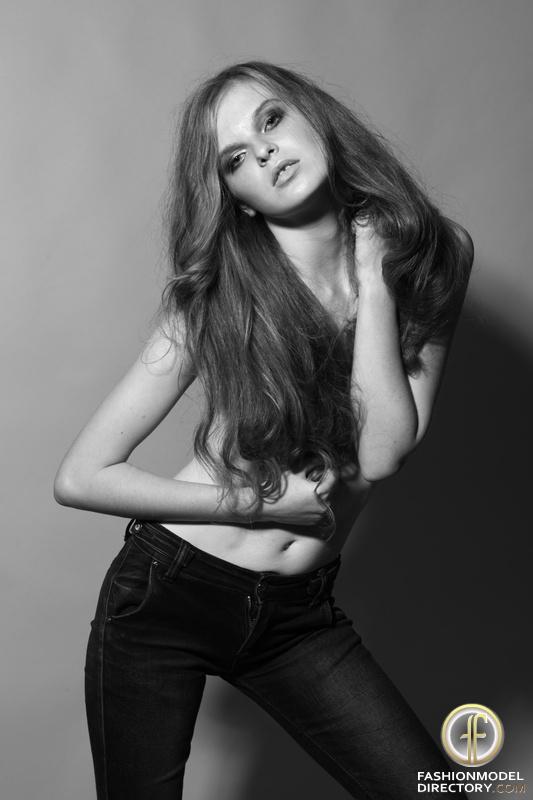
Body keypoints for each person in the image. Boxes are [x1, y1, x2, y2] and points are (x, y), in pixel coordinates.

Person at [54, 61, 473, 799]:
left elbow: (381, 454)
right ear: (235, 198)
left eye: (271, 120)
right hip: (167, 596)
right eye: (235, 159)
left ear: (316, 117)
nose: (266, 151)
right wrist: (256, 505)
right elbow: (81, 477)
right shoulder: (218, 296)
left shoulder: (432, 254)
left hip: (297, 616)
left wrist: (374, 279)